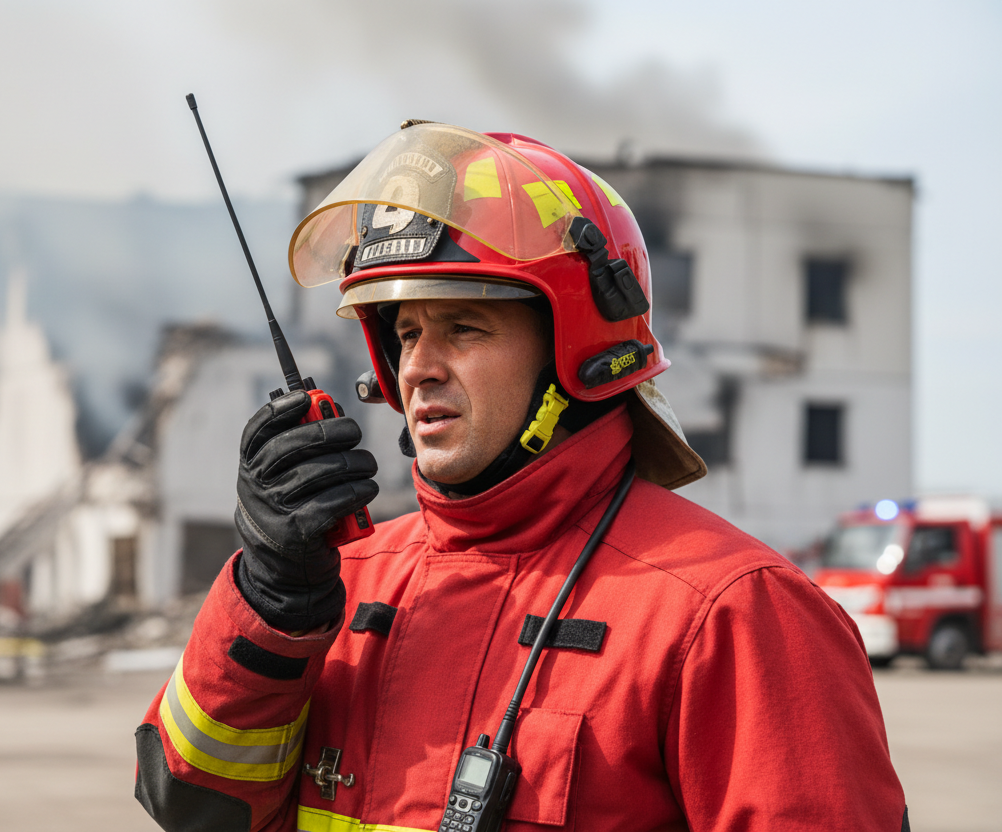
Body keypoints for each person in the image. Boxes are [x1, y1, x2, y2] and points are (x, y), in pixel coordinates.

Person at [135, 123, 908, 830]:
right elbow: (194, 806)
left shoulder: (732, 614)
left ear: (576, 345)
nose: (419, 368)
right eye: (404, 332)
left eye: (463, 328)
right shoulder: (339, 588)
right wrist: (268, 610)